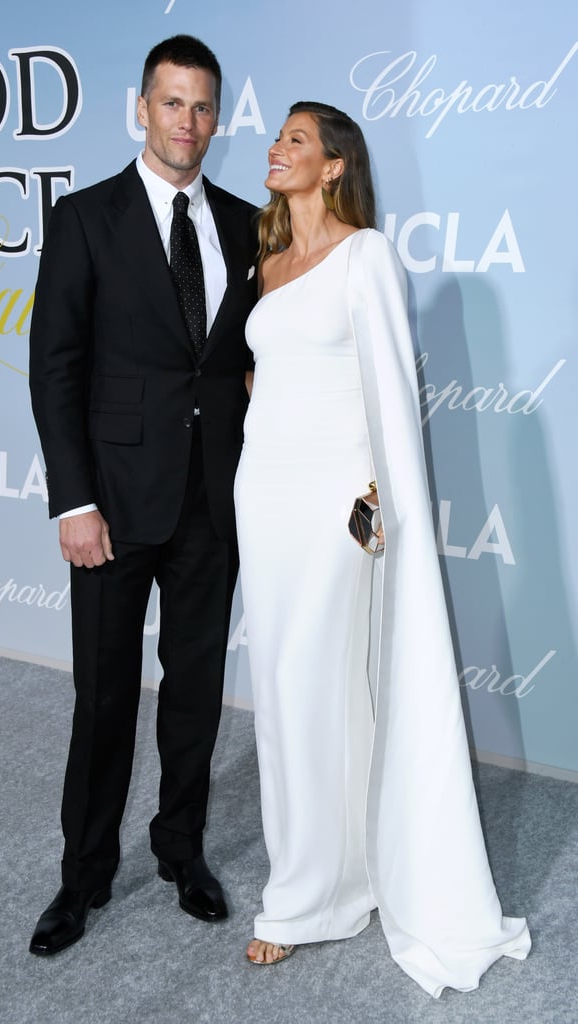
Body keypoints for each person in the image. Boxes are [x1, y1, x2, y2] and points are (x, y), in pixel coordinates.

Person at [233, 101, 531, 996]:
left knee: (307, 689)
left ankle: (297, 901)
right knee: (293, 695)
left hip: (335, 509)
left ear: (333, 167)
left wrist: (378, 500)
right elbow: (270, 379)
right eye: (276, 136)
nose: (276, 149)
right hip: (265, 499)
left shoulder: (365, 255)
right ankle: (334, 879)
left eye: (296, 140)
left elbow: (391, 394)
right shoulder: (268, 260)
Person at [28, 35, 257, 956]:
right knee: (104, 697)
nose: (188, 124)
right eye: (172, 104)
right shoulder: (86, 219)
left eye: (203, 107)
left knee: (195, 693)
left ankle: (181, 850)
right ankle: (82, 877)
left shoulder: (246, 224)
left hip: (213, 501)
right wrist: (72, 502)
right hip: (114, 505)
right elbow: (56, 370)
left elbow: (245, 363)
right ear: (140, 109)